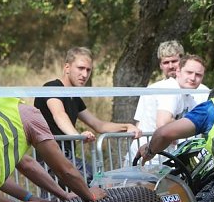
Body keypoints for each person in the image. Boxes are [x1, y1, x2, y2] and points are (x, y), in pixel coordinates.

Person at [36, 47, 140, 179]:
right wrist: (78, 136)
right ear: (67, 68)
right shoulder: (52, 88)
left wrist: (127, 126)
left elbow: (98, 125)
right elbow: (59, 115)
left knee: (87, 186)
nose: (85, 75)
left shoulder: (75, 97)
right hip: (50, 158)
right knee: (93, 181)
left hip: (64, 157)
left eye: (88, 70)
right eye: (80, 68)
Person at [130, 54, 208, 162]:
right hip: (148, 158)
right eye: (189, 72)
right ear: (178, 71)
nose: (193, 78)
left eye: (198, 75)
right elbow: (163, 123)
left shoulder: (187, 94)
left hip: (160, 155)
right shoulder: (171, 89)